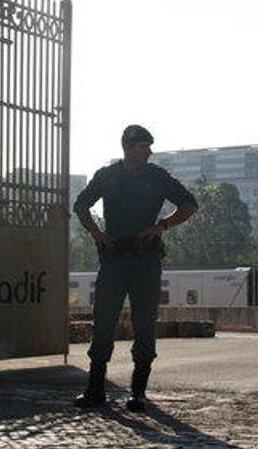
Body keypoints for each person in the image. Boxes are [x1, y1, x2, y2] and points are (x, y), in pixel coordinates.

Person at [73, 124, 198, 412]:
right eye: (144, 146)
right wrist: (98, 234)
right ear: (128, 147)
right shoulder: (107, 175)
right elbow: (81, 205)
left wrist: (161, 226)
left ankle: (138, 392)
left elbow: (190, 204)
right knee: (103, 321)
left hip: (145, 260)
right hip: (114, 257)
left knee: (144, 323)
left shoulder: (156, 177)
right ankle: (95, 389)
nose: (149, 152)